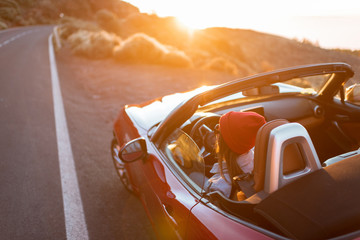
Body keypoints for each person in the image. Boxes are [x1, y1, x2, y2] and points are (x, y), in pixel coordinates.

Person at [207, 111, 266, 200]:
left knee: (193, 174)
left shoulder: (218, 187)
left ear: (222, 142)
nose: (215, 132)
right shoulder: (258, 158)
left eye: (218, 129)